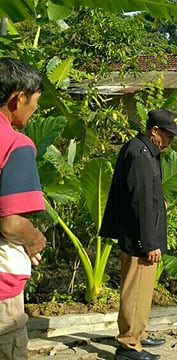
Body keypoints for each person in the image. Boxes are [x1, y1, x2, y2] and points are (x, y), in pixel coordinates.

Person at [100, 109, 177, 360]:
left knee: (143, 289)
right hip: (140, 236)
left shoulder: (146, 151)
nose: (171, 141)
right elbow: (139, 203)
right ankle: (128, 345)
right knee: (136, 289)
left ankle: (138, 333)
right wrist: (150, 243)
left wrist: (161, 202)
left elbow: (146, 193)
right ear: (154, 131)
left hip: (142, 232)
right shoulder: (140, 155)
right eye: (169, 135)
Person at [0, 58, 47, 360]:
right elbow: (11, 222)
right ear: (18, 98)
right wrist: (34, 239)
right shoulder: (16, 144)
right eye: (35, 102)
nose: (35, 110)